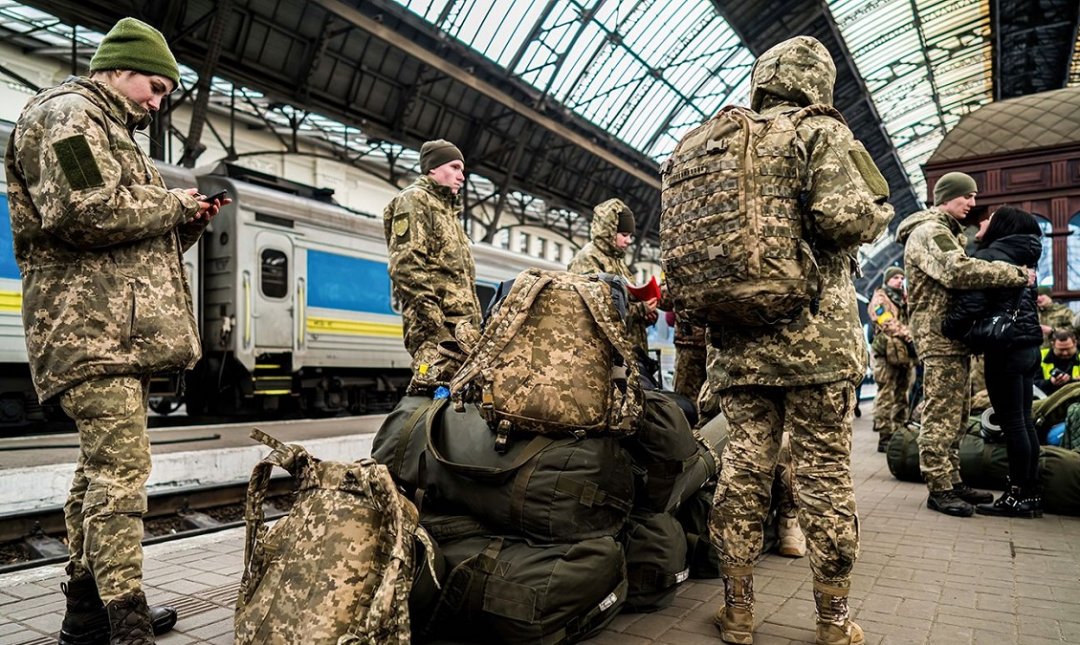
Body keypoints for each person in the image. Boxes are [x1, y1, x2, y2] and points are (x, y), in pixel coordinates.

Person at [5, 17, 226, 643]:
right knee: (121, 477)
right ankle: (125, 623)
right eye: (155, 89)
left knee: (97, 475)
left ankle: (85, 614)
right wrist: (175, 202)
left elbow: (130, 243)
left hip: (115, 333)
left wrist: (186, 223)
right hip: (89, 333)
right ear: (120, 69)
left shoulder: (111, 130)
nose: (157, 104)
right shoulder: (68, 117)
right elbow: (85, 211)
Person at [703, 36, 893, 645]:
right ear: (817, 80)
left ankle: (737, 611)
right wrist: (879, 213)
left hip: (738, 347)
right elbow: (843, 218)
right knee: (824, 477)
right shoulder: (820, 131)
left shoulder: (718, 140)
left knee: (742, 471)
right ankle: (833, 621)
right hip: (816, 346)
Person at [897, 172, 1033, 519]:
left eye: (974, 196)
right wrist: (1016, 274)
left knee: (957, 415)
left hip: (954, 338)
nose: (973, 203)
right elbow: (957, 271)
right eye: (967, 196)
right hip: (939, 337)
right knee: (940, 414)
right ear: (945, 196)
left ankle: (953, 480)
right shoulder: (930, 232)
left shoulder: (948, 232)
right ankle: (939, 487)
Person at [943, 206, 1043, 518]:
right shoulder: (1027, 257)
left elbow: (972, 303)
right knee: (1025, 421)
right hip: (1029, 346)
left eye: (991, 218)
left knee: (1013, 423)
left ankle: (1017, 496)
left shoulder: (989, 257)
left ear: (1003, 226)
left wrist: (948, 326)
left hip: (1005, 350)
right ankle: (1030, 493)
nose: (984, 221)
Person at [383, 139, 482, 396]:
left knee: (456, 404)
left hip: (461, 333)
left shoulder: (448, 213)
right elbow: (405, 264)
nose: (461, 176)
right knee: (428, 398)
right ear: (433, 168)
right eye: (455, 167)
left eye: (462, 170)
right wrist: (435, 321)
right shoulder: (415, 200)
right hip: (439, 334)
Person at [568, 199, 659, 381]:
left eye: (631, 236)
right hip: (605, 357)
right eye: (624, 234)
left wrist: (645, 316)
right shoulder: (588, 259)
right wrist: (640, 310)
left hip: (626, 353)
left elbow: (625, 303)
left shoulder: (617, 261)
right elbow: (596, 309)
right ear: (608, 230)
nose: (628, 241)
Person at [868, 267, 915, 452]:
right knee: (886, 394)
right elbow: (885, 321)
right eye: (895, 277)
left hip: (903, 354)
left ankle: (899, 431)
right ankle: (885, 435)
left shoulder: (903, 299)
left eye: (902, 277)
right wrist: (909, 334)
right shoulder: (880, 299)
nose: (900, 280)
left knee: (902, 394)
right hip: (886, 355)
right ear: (887, 280)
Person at [1036, 329, 1078, 395]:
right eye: (1061, 349)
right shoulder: (1039, 356)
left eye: (1068, 349)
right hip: (1048, 398)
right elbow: (1032, 384)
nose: (1065, 353)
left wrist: (1073, 380)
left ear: (1075, 343)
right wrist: (1050, 382)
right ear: (1053, 345)